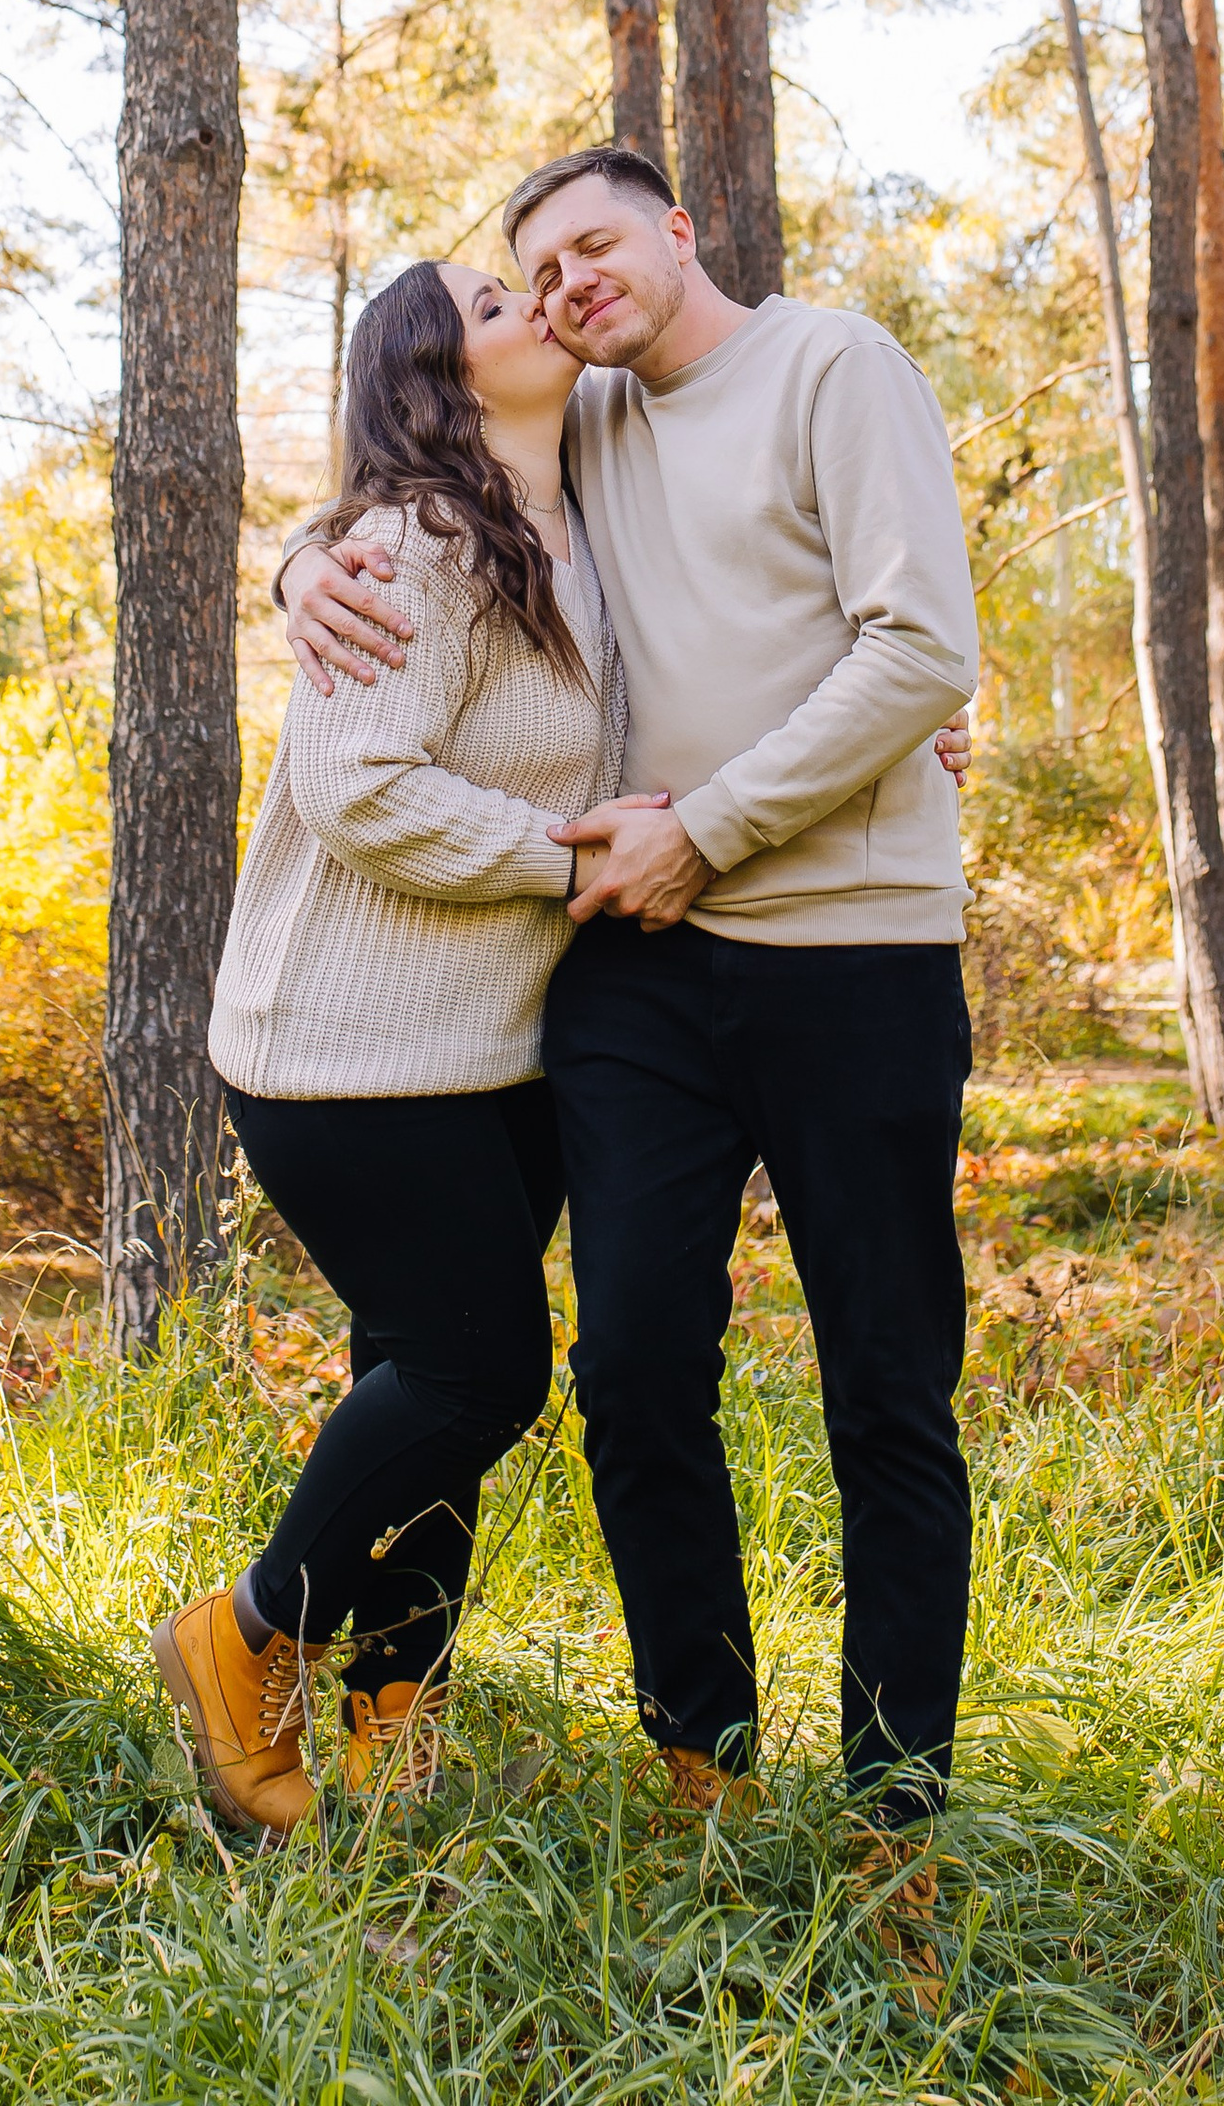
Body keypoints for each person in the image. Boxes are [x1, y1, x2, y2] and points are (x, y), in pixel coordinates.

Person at [281, 145, 978, 1824]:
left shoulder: (833, 365)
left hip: (855, 950)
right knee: (635, 1372)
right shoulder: (578, 417)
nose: (567, 286)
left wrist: (712, 828)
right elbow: (419, 469)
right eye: (536, 273)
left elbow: (922, 652)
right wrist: (301, 565)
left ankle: (896, 1806)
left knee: (886, 1382)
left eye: (592, 246)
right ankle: (706, 1765)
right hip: (640, 974)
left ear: (679, 226)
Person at [153, 253, 626, 1838]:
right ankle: (244, 1637)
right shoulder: (416, 542)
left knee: (418, 1375)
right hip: (344, 1056)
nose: (535, 308)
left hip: (496, 1052)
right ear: (435, 380)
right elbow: (360, 786)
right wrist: (570, 857)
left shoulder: (590, 517)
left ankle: (390, 1709)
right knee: (481, 1369)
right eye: (492, 307)